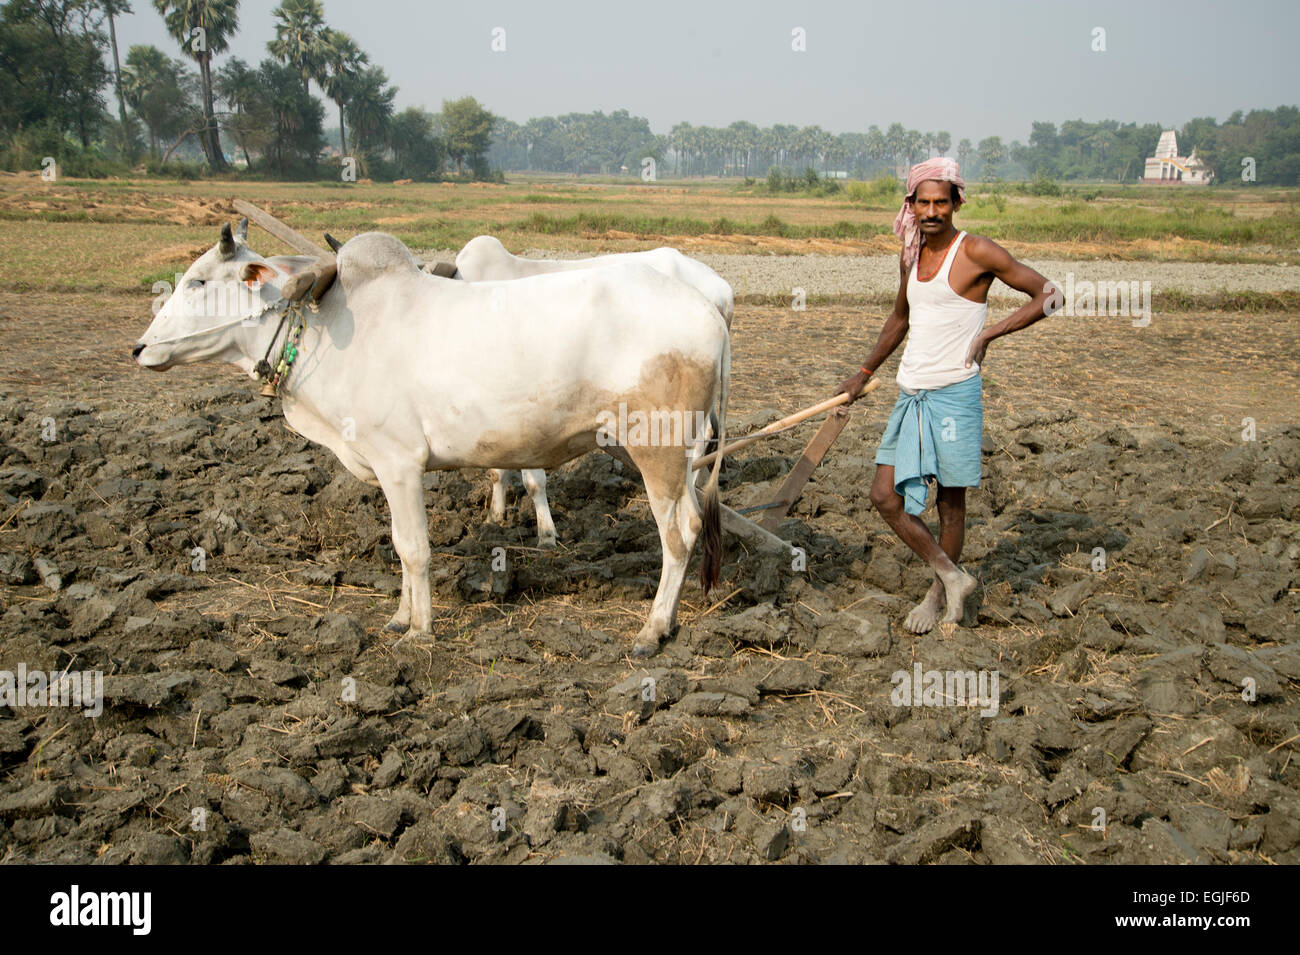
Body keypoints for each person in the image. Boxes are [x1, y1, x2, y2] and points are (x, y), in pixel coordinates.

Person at [837, 158, 1058, 633]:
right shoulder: (911, 255)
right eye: (923, 202)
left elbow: (1050, 295)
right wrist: (862, 372)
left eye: (941, 202)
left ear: (956, 203)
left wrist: (990, 334)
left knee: (949, 504)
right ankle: (953, 575)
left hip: (955, 395)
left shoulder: (976, 251)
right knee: (885, 496)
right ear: (911, 206)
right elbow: (900, 318)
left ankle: (939, 597)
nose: (932, 210)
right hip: (911, 393)